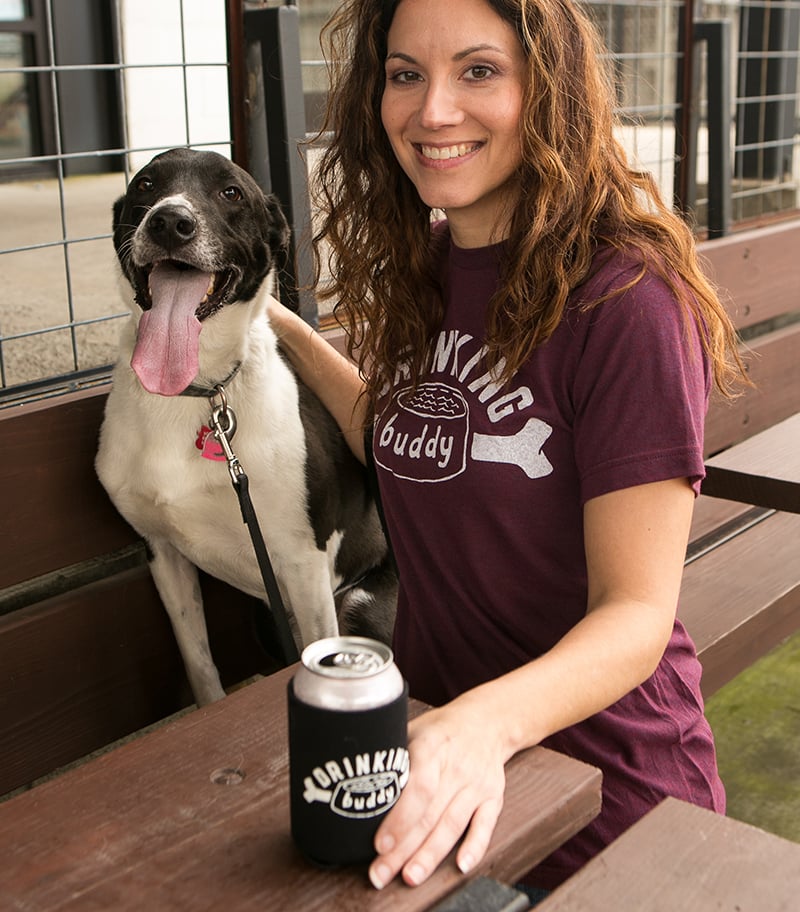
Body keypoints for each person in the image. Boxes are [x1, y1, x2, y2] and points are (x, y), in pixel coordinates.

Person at [268, 0, 747, 898]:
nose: (433, 110)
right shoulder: (426, 272)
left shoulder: (626, 297)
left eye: (478, 71)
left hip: (610, 799)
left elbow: (637, 614)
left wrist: (480, 727)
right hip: (447, 790)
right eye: (405, 74)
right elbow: (404, 433)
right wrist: (281, 326)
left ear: (548, 90)